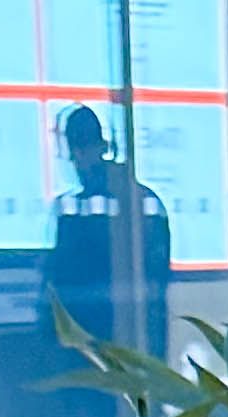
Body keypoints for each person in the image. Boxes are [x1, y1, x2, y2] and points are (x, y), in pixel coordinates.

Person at [48, 106, 170, 360]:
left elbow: (62, 278)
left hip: (93, 344)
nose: (74, 161)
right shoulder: (146, 200)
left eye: (76, 151)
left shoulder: (73, 209)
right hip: (138, 340)